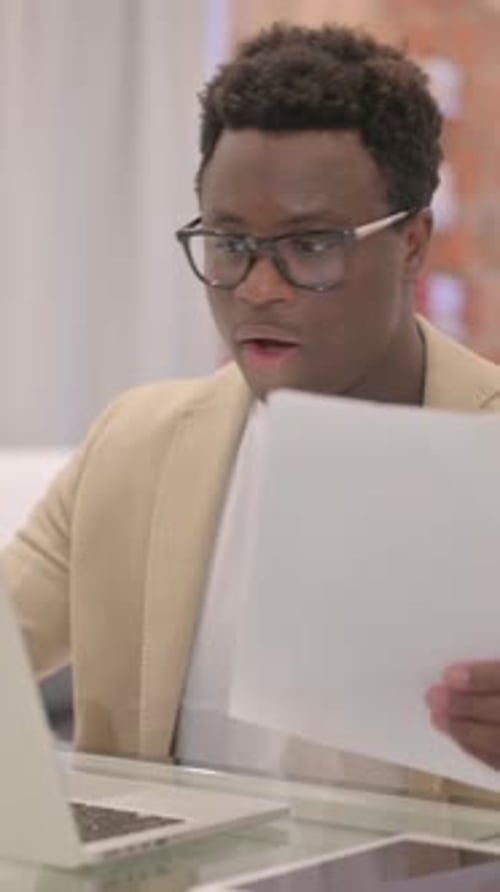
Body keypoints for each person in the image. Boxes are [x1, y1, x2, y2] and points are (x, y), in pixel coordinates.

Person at [3, 22, 500, 806]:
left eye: (310, 246)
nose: (256, 288)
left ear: (411, 244)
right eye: (229, 243)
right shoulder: (136, 445)